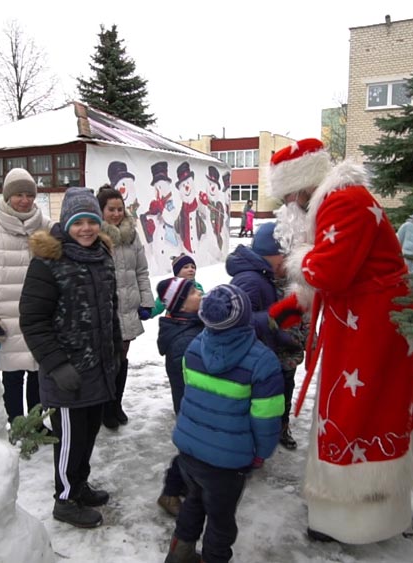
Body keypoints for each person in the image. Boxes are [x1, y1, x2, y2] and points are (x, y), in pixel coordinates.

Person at [267, 138, 413, 544]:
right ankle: (344, 513)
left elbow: (330, 271)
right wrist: (297, 301)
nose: (289, 206)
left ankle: (353, 521)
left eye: (288, 197)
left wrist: (299, 264)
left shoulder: (343, 201)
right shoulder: (335, 200)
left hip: (370, 327)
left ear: (302, 186)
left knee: (359, 414)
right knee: (352, 410)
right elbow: (343, 266)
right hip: (362, 321)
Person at [19, 187, 123, 529]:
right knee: (68, 439)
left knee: (88, 434)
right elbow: (33, 321)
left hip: (98, 367)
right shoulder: (48, 261)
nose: (87, 229)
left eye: (92, 221)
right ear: (67, 223)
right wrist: (57, 365)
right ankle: (64, 499)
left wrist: (115, 351)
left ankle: (79, 485)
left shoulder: (102, 256)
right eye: (78, 222)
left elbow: (110, 308)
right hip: (65, 372)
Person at [165, 284, 284, 563]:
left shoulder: (194, 348)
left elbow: (190, 395)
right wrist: (260, 454)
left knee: (194, 502)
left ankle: (178, 555)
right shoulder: (263, 361)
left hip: (189, 452)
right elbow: (267, 418)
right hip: (227, 464)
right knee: (221, 520)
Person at [0, 168, 53, 424]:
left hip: (40, 315)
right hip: (6, 316)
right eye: (18, 194)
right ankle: (17, 424)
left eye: (29, 194)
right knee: (12, 376)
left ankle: (36, 424)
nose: (25, 200)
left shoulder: (47, 226)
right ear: (7, 197)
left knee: (39, 374)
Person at [226, 222, 301, 451]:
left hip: (271, 350)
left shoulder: (263, 275)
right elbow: (237, 320)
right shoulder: (250, 279)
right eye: (285, 257)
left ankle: (276, 428)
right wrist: (272, 319)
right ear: (272, 253)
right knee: (260, 402)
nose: (287, 264)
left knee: (280, 393)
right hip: (258, 357)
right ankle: (255, 442)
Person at [96, 185, 154, 429]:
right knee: (106, 362)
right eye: (111, 209)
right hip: (104, 309)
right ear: (101, 211)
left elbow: (141, 269)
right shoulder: (94, 235)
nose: (117, 214)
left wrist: (146, 300)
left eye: (120, 209)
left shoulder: (131, 234)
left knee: (122, 358)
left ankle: (116, 403)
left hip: (128, 307)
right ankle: (104, 408)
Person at [154, 276, 205, 518]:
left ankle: (185, 485)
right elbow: (189, 381)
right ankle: (171, 492)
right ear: (181, 304)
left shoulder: (190, 325)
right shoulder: (184, 340)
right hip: (192, 406)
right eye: (194, 292)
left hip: (193, 405)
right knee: (192, 452)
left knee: (195, 451)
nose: (200, 294)